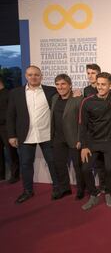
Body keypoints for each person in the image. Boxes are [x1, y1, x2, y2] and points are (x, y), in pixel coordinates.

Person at [7, 65, 58, 203]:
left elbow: (66, 94)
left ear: (41, 76)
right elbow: (10, 115)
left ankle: (57, 188)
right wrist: (11, 135)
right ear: (26, 76)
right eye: (30, 75)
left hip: (46, 134)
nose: (33, 77)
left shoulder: (51, 91)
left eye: (36, 74)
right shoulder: (16, 93)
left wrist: (76, 92)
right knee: (25, 164)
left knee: (53, 162)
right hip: (26, 135)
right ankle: (27, 191)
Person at [79, 72, 111, 210]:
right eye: (98, 84)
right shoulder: (87, 101)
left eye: (104, 84)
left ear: (110, 86)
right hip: (92, 142)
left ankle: (108, 193)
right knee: (85, 169)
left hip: (110, 141)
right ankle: (93, 195)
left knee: (110, 168)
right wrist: (84, 146)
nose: (100, 87)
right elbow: (82, 125)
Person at [51, 74, 85, 200]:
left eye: (63, 84)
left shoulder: (78, 99)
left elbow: (82, 121)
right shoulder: (54, 98)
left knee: (78, 166)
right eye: (58, 84)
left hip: (74, 139)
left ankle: (81, 189)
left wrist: (80, 139)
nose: (60, 87)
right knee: (60, 165)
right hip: (57, 138)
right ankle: (65, 188)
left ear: (70, 85)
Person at [83, 63, 106, 193]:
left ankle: (103, 186)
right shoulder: (86, 90)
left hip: (105, 132)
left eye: (93, 73)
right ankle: (93, 188)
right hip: (91, 133)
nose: (90, 75)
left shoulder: (107, 88)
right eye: (88, 73)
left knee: (103, 163)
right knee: (93, 163)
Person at [0, 76, 19, 183]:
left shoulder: (9, 93)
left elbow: (12, 113)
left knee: (11, 152)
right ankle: (1, 175)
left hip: (7, 128)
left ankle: (15, 175)